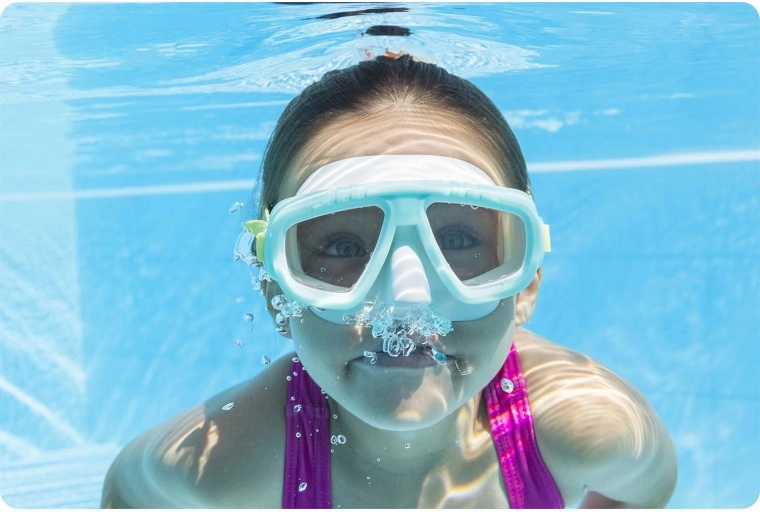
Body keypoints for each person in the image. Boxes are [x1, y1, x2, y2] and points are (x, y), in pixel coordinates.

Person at [101, 55, 677, 509]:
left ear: (524, 284)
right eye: (343, 248)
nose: (407, 301)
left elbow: (646, 488)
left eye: (457, 240)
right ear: (277, 291)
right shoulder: (226, 462)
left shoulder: (589, 429)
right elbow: (128, 494)